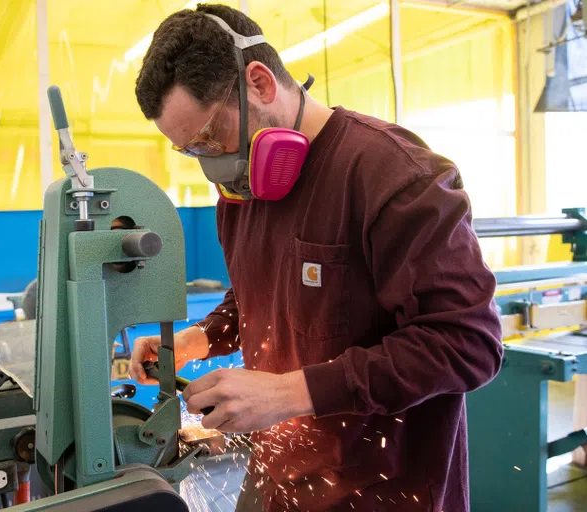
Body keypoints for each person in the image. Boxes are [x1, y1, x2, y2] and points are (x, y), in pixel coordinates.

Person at [129, 4, 503, 511]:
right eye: (191, 151)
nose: (211, 163)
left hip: (380, 490)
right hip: (280, 477)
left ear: (259, 83)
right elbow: (261, 296)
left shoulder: (394, 176)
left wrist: (288, 394)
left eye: (209, 138)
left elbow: (468, 344)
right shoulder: (240, 193)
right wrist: (201, 338)